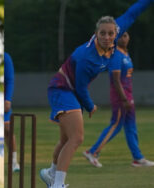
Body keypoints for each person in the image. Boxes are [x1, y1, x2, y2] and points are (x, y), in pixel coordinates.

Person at [39, 0, 153, 188]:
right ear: (96, 34)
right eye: (102, 34)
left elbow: (133, 13)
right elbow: (82, 88)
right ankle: (57, 184)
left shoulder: (114, 33)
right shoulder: (86, 57)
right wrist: (90, 105)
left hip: (73, 91)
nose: (107, 37)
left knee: (65, 139)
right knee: (77, 138)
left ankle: (51, 172)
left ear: (116, 32)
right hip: (62, 88)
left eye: (110, 33)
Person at [83, 32, 154, 168]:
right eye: (121, 35)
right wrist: (124, 98)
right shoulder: (116, 55)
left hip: (128, 96)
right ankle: (92, 152)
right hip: (121, 97)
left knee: (131, 127)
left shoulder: (126, 54)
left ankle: (137, 158)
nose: (124, 38)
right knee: (115, 125)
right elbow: (115, 79)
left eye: (126, 35)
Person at [4, 52, 20, 172]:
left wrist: (8, 100)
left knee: (8, 129)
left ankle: (14, 162)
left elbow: (10, 80)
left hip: (3, 100)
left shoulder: (6, 57)